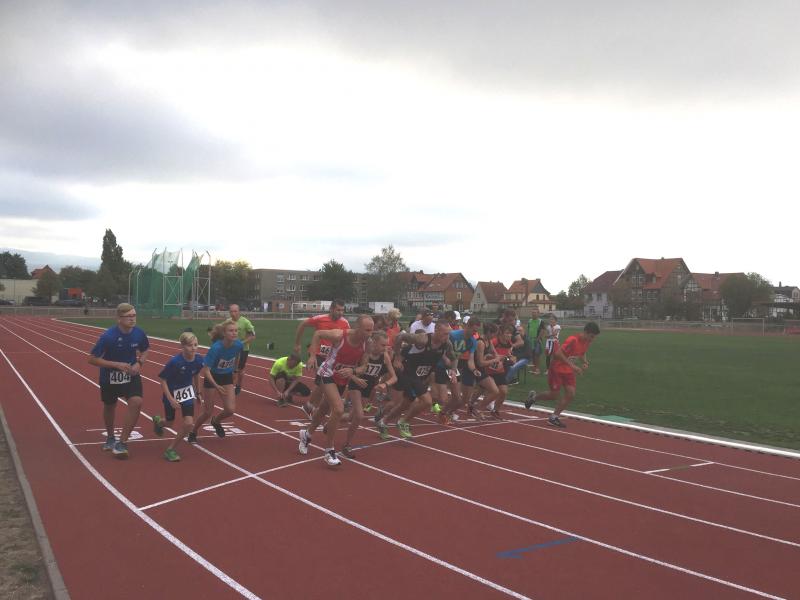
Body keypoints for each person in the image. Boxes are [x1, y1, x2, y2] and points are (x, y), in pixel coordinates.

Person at [298, 315, 374, 466]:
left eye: (372, 330)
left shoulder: (368, 344)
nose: (370, 333)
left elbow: (364, 366)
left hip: (342, 379)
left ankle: (307, 434)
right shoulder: (340, 335)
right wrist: (312, 356)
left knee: (323, 409)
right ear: (357, 328)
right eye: (367, 330)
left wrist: (353, 371)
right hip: (327, 373)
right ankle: (329, 451)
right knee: (338, 409)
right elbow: (318, 334)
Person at [87, 303, 150, 458]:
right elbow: (92, 359)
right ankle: (110, 437)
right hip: (109, 377)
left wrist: (139, 363)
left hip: (130, 375)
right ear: (119, 318)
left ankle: (122, 442)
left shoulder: (139, 334)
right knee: (110, 406)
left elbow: (145, 350)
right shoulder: (108, 337)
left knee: (136, 402)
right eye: (128, 316)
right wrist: (116, 365)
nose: (132, 319)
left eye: (134, 315)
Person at [376, 320, 455, 439]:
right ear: (436, 330)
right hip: (407, 369)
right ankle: (403, 422)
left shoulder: (447, 343)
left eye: (448, 334)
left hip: (420, 375)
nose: (447, 337)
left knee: (405, 404)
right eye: (445, 334)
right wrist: (397, 358)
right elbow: (400, 336)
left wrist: (453, 370)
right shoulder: (423, 339)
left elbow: (454, 357)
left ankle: (383, 421)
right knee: (427, 401)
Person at [525, 321, 600, 427]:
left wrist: (585, 362)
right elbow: (557, 354)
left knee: (571, 394)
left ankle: (554, 417)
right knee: (554, 395)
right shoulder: (573, 340)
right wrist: (572, 366)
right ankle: (533, 398)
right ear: (585, 332)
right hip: (557, 368)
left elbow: (582, 353)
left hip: (568, 370)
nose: (592, 339)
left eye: (594, 337)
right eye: (591, 336)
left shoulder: (587, 342)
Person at [338, 330, 397, 458]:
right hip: (356, 385)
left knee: (350, 417)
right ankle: (346, 445)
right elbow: (349, 370)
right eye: (382, 345)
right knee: (359, 415)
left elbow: (394, 377)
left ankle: (332, 421)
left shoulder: (385, 356)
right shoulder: (364, 354)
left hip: (368, 388)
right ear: (374, 343)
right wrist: (355, 378)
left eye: (387, 345)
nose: (385, 348)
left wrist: (385, 384)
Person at [189, 320, 243, 442]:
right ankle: (194, 431)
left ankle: (216, 421)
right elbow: (206, 371)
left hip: (226, 377)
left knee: (230, 410)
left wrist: (235, 371)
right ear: (224, 333)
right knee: (207, 412)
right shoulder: (216, 348)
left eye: (236, 331)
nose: (234, 333)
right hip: (212, 377)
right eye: (231, 331)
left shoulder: (238, 345)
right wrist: (216, 386)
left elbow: (237, 356)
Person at [154, 332, 204, 461]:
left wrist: (198, 392)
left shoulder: (199, 360)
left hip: (187, 394)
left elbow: (196, 374)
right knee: (169, 423)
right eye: (189, 345)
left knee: (189, 423)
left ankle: (170, 449)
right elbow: (163, 380)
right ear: (182, 346)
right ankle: (159, 422)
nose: (193, 348)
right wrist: (171, 399)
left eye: (195, 345)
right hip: (171, 393)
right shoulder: (175, 362)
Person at [293, 299, 349, 367]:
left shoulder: (345, 323)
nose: (341, 313)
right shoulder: (320, 318)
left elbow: (348, 339)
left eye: (342, 310)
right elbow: (303, 324)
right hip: (317, 354)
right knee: (319, 371)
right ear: (331, 309)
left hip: (333, 356)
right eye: (338, 310)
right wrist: (297, 344)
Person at [228, 304, 256, 395]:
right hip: (230, 348)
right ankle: (228, 385)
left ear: (239, 312)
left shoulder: (245, 322)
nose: (233, 313)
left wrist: (241, 343)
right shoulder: (228, 322)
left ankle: (238, 385)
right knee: (229, 367)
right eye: (231, 311)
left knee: (239, 369)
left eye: (235, 311)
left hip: (243, 349)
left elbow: (253, 336)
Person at [527, 307, 546, 375]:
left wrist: (538, 339)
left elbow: (543, 330)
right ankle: (533, 369)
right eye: (532, 312)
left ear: (538, 314)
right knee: (532, 355)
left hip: (537, 341)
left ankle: (537, 369)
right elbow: (528, 329)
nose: (533, 314)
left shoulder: (541, 321)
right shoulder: (529, 321)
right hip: (530, 340)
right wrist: (527, 338)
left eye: (535, 312)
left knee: (536, 355)